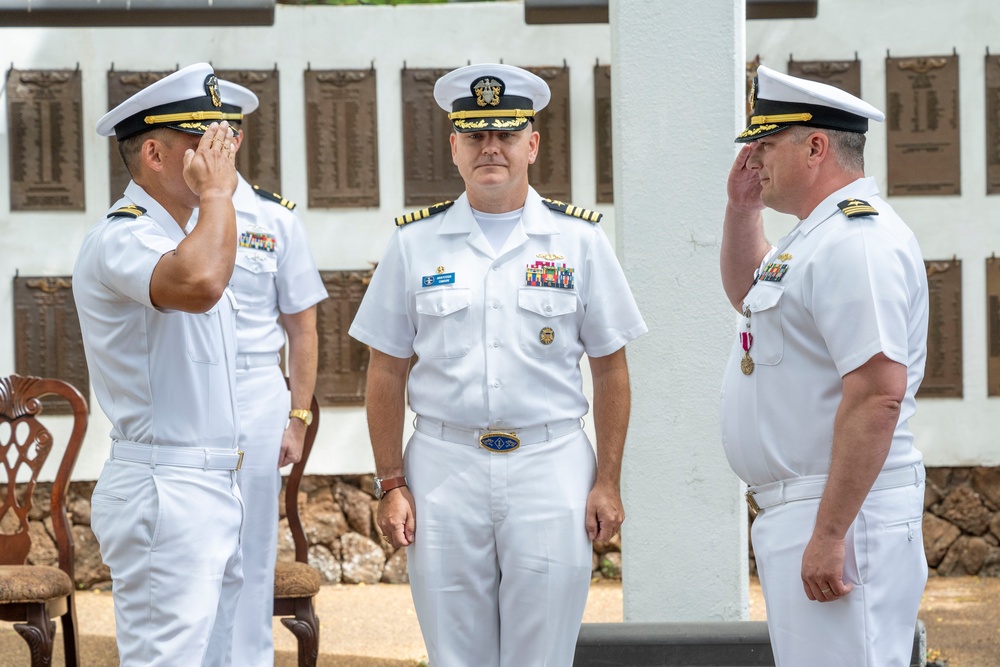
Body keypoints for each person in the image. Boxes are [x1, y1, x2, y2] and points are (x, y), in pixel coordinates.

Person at [349, 63, 647, 667]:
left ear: (531, 145)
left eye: (507, 134)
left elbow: (611, 369)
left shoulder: (580, 241)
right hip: (442, 468)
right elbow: (385, 370)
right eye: (476, 135)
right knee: (455, 653)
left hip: (551, 464)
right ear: (454, 145)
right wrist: (391, 482)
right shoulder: (414, 244)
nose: (492, 148)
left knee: (543, 653)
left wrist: (607, 479)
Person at [720, 64, 929, 666]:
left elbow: (877, 394)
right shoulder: (815, 235)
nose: (753, 158)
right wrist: (741, 211)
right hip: (812, 509)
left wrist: (832, 533)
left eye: (765, 144)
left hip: (841, 513)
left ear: (814, 146)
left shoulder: (857, 241)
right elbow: (749, 297)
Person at [73, 62, 245, 666]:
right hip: (165, 488)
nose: (223, 156)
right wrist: (220, 194)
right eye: (207, 142)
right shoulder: (121, 237)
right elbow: (197, 283)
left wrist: (215, 203)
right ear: (154, 153)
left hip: (211, 484)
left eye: (229, 139)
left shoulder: (195, 231)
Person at [189, 79, 328, 666]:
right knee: (190, 545)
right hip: (187, 388)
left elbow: (303, 328)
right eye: (196, 135)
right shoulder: (160, 215)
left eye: (218, 134)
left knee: (250, 548)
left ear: (238, 138)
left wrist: (297, 417)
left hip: (254, 389)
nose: (207, 147)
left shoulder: (274, 220)